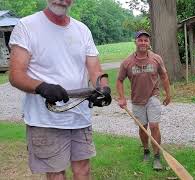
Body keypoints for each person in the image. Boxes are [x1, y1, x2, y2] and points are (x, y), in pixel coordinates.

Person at [9, 0, 111, 179]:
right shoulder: (26, 26)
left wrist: (103, 87)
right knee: (57, 174)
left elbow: (95, 69)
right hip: (46, 119)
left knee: (83, 170)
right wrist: (41, 87)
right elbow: (16, 75)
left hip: (80, 117)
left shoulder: (82, 30)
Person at [116, 30, 171, 170]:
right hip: (136, 101)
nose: (143, 43)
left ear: (149, 43)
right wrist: (122, 98)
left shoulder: (156, 59)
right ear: (135, 42)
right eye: (140, 40)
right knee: (143, 128)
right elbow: (119, 80)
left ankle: (157, 156)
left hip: (153, 97)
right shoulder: (127, 62)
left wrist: (168, 94)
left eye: (146, 40)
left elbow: (164, 76)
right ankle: (146, 151)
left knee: (154, 126)